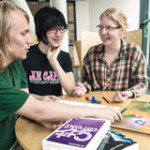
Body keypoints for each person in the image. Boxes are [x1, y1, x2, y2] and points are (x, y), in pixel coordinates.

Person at [0, 2, 122, 149]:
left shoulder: (16, 61)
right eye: (23, 33)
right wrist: (97, 112)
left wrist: (42, 117)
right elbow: (37, 109)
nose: (30, 40)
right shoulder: (25, 56)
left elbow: (25, 97)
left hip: (18, 134)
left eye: (62, 29)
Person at [74, 8, 148, 102]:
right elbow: (88, 81)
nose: (103, 32)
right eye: (101, 27)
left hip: (124, 104)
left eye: (109, 27)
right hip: (98, 105)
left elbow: (142, 83)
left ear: (121, 31)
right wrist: (84, 87)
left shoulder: (134, 52)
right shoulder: (91, 53)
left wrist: (129, 93)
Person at [23, 6, 75, 96]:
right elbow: (22, 93)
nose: (58, 34)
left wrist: (54, 61)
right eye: (53, 29)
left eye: (61, 29)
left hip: (56, 106)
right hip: (33, 107)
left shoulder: (64, 56)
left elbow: (70, 90)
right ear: (41, 30)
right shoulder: (26, 54)